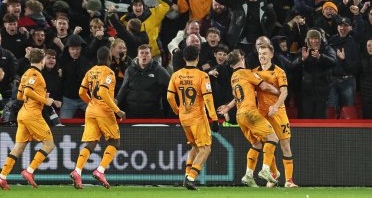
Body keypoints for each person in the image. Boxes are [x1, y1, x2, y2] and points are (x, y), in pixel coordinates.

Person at [217, 49, 280, 186]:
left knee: (256, 144)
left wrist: (228, 107)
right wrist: (278, 92)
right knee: (273, 138)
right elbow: (264, 86)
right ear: (241, 58)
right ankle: (265, 169)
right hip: (250, 113)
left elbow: (240, 94)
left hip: (240, 115)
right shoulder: (247, 73)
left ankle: (248, 175)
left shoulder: (234, 77)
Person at [0, 48, 55, 190]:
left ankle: (2, 177)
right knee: (49, 144)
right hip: (32, 114)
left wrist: (40, 98)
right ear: (42, 60)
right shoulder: (35, 74)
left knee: (19, 147)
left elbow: (20, 96)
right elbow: (27, 91)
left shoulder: (25, 74)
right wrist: (44, 101)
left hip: (23, 113)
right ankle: (29, 171)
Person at [70, 46, 126, 189]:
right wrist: (117, 110)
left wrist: (92, 103)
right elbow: (103, 92)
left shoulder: (91, 71)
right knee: (115, 142)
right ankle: (100, 171)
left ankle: (77, 171)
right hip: (104, 111)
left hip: (90, 111)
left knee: (91, 143)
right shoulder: (109, 73)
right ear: (109, 57)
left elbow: (81, 92)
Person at [167, 45, 219, 190]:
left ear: (184, 58)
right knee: (206, 148)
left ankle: (186, 176)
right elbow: (208, 99)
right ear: (198, 58)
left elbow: (169, 96)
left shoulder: (176, 75)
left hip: (184, 117)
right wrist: (214, 118)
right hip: (198, 118)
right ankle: (191, 178)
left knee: (195, 147)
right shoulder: (202, 76)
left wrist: (177, 110)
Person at [252, 44, 298, 188]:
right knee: (267, 144)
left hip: (278, 112)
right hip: (262, 114)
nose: (262, 56)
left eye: (264, 53)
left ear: (271, 55)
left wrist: (276, 106)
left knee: (285, 144)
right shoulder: (254, 73)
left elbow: (284, 92)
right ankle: (273, 176)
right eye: (260, 53)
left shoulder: (279, 72)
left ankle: (289, 181)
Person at [117, 44, 170, 118]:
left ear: (151, 55)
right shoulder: (129, 70)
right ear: (137, 56)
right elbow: (122, 91)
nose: (144, 55)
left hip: (153, 114)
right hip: (132, 114)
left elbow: (171, 89)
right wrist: (116, 107)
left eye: (147, 53)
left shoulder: (159, 70)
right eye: (142, 53)